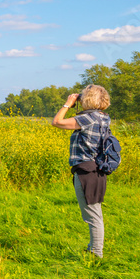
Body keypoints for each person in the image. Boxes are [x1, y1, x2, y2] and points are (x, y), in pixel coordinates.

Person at [51, 85, 111, 258]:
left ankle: (96, 254)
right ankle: (92, 248)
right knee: (94, 211)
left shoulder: (89, 118)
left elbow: (57, 122)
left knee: (93, 216)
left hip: (86, 171)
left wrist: (68, 104)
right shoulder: (103, 117)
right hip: (96, 170)